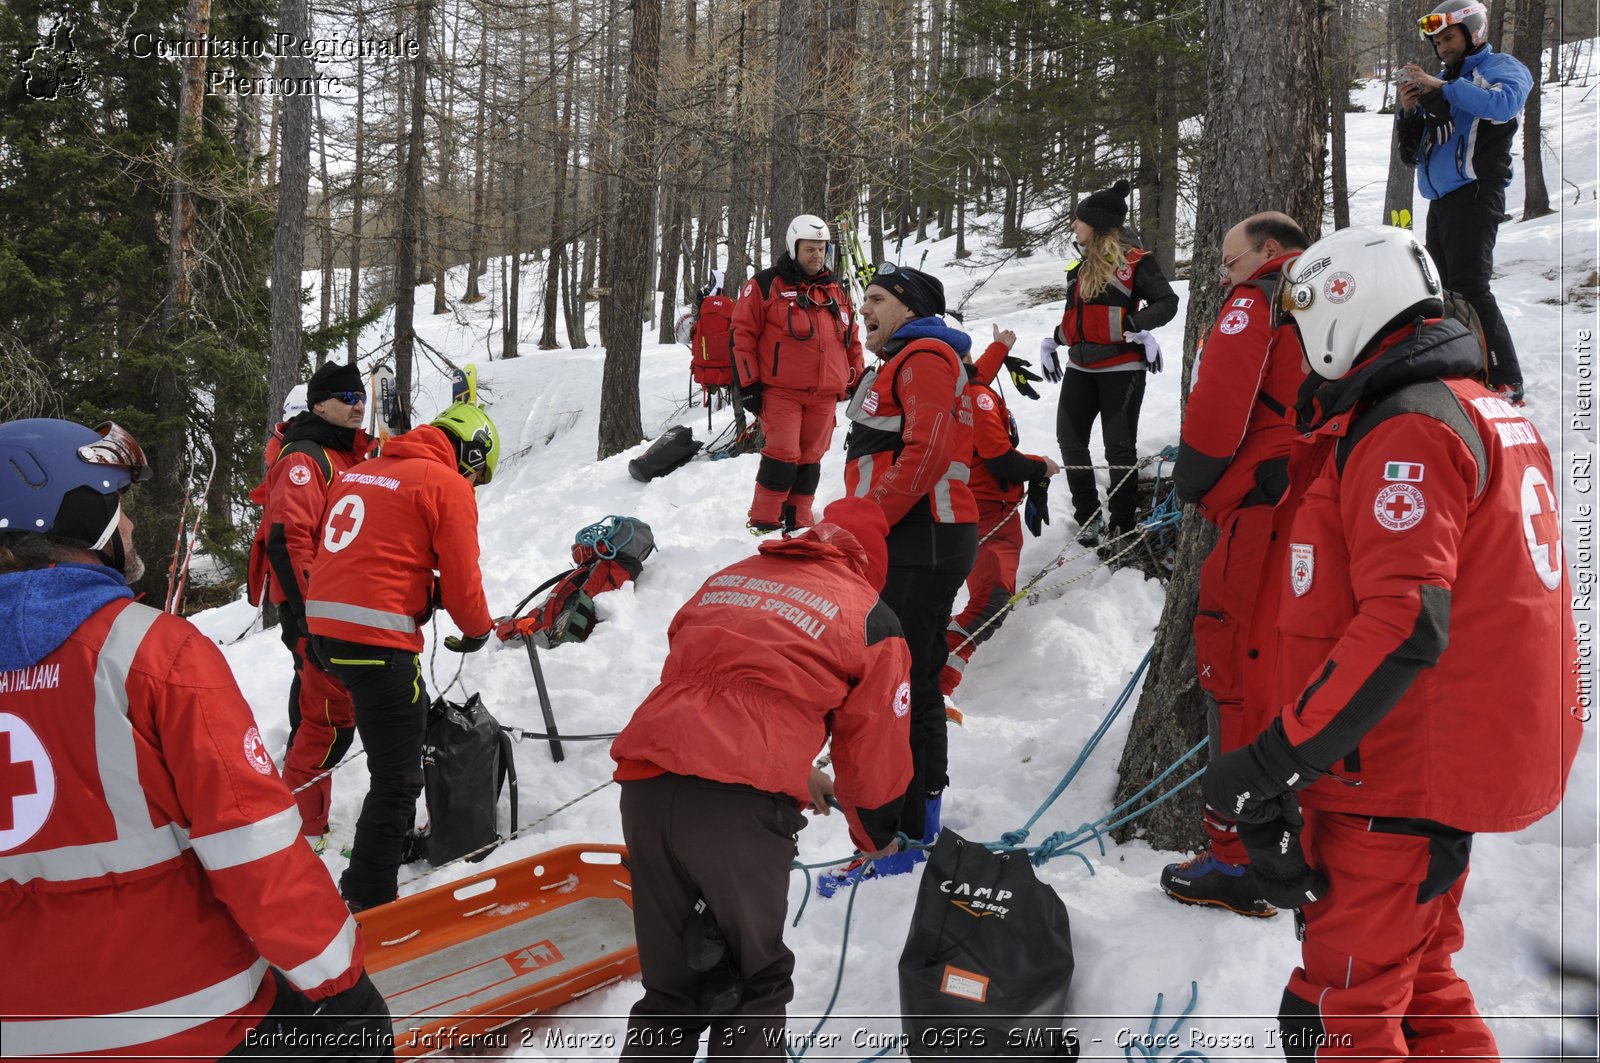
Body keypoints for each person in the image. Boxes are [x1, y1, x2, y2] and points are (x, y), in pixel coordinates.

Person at [1202, 225, 1580, 1058]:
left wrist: (1271, 759)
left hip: (1400, 775)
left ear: (1344, 306)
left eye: (1301, 322)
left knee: (1338, 1011)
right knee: (1419, 984)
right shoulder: (1476, 407)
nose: (1299, 346)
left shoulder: (1409, 428)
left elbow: (1406, 619)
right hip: (1436, 764)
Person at [0, 418, 391, 1060]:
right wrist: (343, 986)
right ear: (77, 514)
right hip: (188, 1020)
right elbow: (254, 851)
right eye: (115, 504)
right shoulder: (155, 656)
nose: (127, 526)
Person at [610, 497, 912, 1059]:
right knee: (757, 984)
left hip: (648, 783)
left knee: (671, 989)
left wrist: (796, 770)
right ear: (870, 564)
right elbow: (874, 750)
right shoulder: (870, 615)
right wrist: (875, 833)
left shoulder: (733, 576)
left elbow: (710, 682)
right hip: (737, 812)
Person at [1161, 212, 1310, 918]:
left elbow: (1220, 404)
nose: (1223, 277)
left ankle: (1238, 855)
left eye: (1230, 261)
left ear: (1270, 253)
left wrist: (1192, 476)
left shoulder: (1260, 301)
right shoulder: (1327, 294)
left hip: (1259, 507)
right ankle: (1290, 836)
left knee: (1233, 662)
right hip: (1308, 506)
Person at [306, 402, 499, 912]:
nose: (473, 482)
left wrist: (416, 590)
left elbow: (368, 555)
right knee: (397, 780)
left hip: (326, 637)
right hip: (377, 645)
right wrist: (478, 630)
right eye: (477, 472)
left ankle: (380, 853)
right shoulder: (445, 485)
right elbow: (463, 581)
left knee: (396, 745)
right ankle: (370, 899)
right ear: (469, 451)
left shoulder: (363, 472)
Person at [841, 262, 977, 859]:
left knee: (908, 681)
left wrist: (868, 522)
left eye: (874, 299)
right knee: (908, 677)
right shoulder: (905, 360)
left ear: (907, 306)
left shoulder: (923, 355)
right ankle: (909, 821)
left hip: (919, 538)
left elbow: (927, 451)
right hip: (912, 537)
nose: (861, 310)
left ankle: (909, 827)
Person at [248, 360, 374, 846]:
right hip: (315, 614)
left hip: (341, 610)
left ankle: (298, 819)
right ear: (318, 403)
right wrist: (308, 622)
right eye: (345, 397)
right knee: (328, 725)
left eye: (360, 396)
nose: (357, 404)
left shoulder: (346, 454)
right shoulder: (305, 459)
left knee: (318, 717)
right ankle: (299, 834)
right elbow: (287, 540)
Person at [1396, 0, 1531, 404]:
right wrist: (1409, 110)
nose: (1442, 48)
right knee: (1443, 291)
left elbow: (1504, 105)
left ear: (1475, 32)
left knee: (1471, 287)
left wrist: (1440, 87)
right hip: (1441, 200)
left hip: (1476, 192)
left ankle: (1507, 379)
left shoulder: (1501, 67)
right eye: (1436, 42)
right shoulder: (1443, 80)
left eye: (1449, 38)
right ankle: (1466, 367)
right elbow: (1416, 151)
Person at [1039, 179, 1179, 548]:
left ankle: (1122, 522)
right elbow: (1082, 321)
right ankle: (1088, 519)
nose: (1073, 225)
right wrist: (1053, 340)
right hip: (1079, 368)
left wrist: (1136, 326)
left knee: (1118, 448)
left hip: (1121, 369)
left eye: (1079, 220)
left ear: (1097, 225)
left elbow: (1167, 302)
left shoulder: (1135, 262)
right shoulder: (1078, 266)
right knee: (1070, 441)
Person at [940, 327, 1058, 704]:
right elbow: (1000, 459)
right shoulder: (975, 397)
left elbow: (976, 378)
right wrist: (1041, 467)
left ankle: (924, 672)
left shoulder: (948, 386)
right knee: (990, 602)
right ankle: (934, 682)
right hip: (987, 510)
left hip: (969, 507)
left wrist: (1001, 347)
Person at [732, 214, 864, 533]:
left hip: (824, 394)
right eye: (809, 249)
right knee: (783, 453)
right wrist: (748, 384)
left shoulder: (836, 291)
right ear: (793, 248)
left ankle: (799, 518)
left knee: (811, 457)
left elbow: (851, 339)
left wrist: (856, 379)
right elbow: (741, 335)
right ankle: (764, 518)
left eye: (821, 249)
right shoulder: (765, 285)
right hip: (781, 392)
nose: (816, 256)